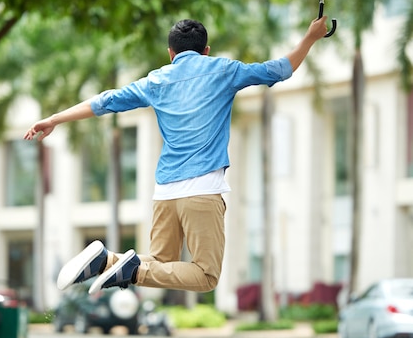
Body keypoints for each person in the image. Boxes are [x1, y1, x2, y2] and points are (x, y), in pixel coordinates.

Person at [24, 16, 328, 295]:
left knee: (160, 262)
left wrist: (54, 119)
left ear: (171, 53)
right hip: (202, 191)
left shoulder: (157, 80)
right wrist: (310, 38)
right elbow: (281, 69)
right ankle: (124, 268)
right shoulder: (224, 70)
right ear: (206, 50)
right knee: (206, 276)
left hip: (165, 193)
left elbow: (107, 101)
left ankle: (107, 261)